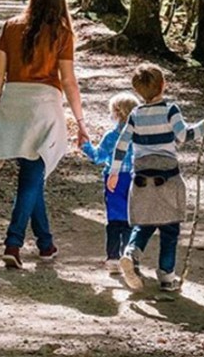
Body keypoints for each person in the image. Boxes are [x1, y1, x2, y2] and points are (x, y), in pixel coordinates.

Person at [0, 0, 89, 269]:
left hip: (14, 103)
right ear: (60, 2)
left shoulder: (11, 27)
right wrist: (80, 121)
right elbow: (69, 81)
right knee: (33, 173)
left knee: (32, 174)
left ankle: (46, 244)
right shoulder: (62, 32)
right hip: (45, 107)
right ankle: (13, 242)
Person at [107, 63, 204, 292]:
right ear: (163, 85)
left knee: (144, 222)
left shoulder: (135, 114)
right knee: (169, 228)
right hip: (167, 177)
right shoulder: (170, 110)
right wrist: (203, 127)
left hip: (141, 178)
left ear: (137, 91)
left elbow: (121, 145)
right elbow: (184, 135)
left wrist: (114, 172)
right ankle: (166, 277)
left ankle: (130, 253)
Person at [81, 91, 139, 274]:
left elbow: (98, 157)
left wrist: (85, 146)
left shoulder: (111, 136)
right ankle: (129, 257)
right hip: (134, 179)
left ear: (116, 113)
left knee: (114, 220)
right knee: (131, 219)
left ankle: (113, 258)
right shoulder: (139, 136)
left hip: (113, 180)